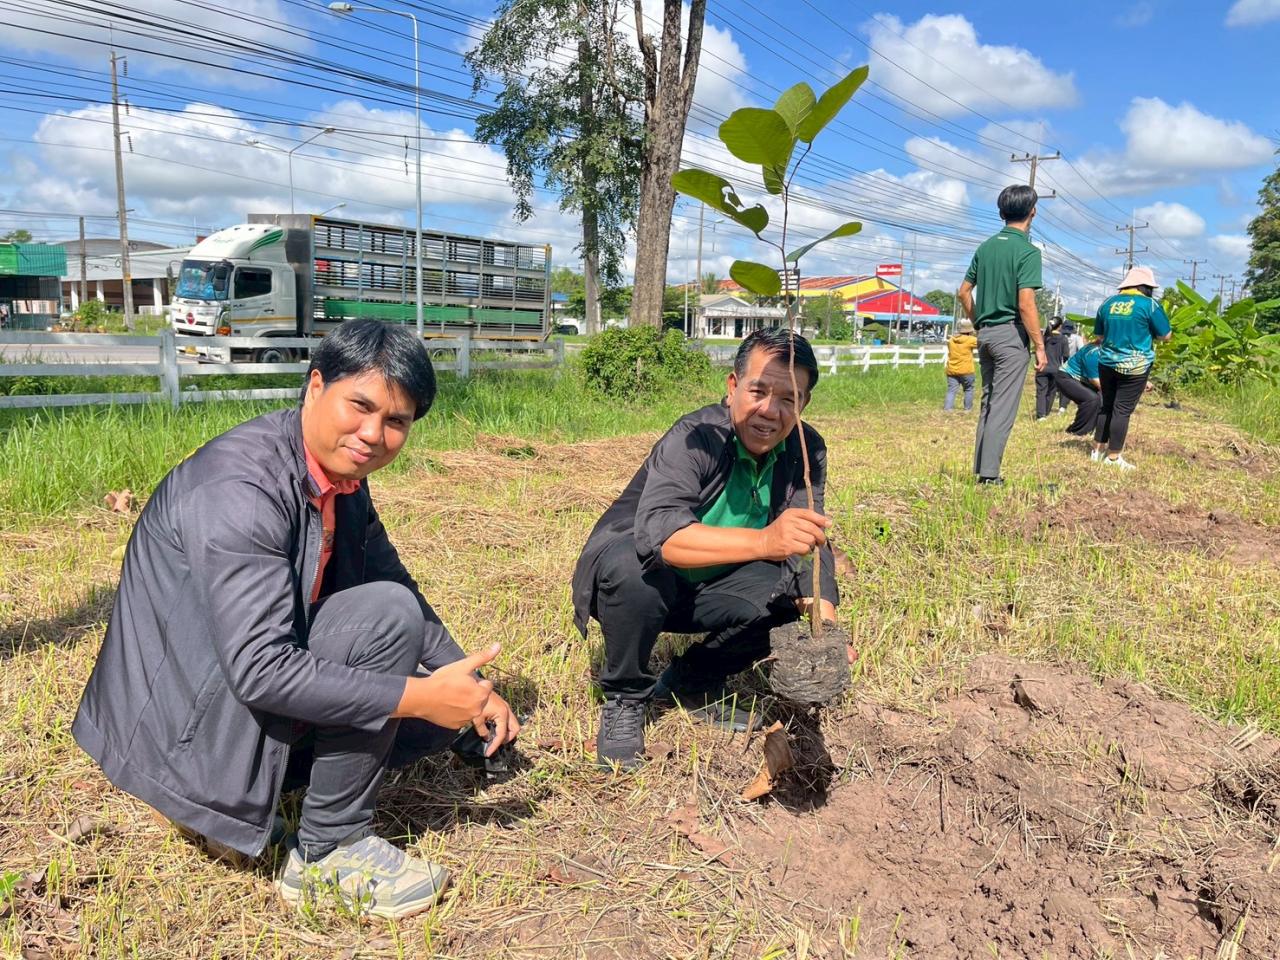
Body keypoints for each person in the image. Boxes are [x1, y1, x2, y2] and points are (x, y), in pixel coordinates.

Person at [72, 320, 521, 919]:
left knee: (429, 682)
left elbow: (394, 579)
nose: (373, 434)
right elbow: (259, 669)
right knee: (390, 629)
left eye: (396, 421)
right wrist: (415, 695)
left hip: (228, 689)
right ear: (315, 386)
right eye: (360, 406)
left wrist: (464, 683)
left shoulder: (341, 478)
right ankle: (327, 851)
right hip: (185, 723)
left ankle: (248, 792)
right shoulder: (242, 488)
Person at [572, 328, 841, 771]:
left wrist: (824, 628)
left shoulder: (804, 449)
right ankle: (624, 698)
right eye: (758, 390)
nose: (770, 411)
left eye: (789, 398)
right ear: (733, 387)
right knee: (631, 568)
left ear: (804, 403)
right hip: (644, 581)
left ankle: (690, 682)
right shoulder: (695, 436)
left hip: (716, 583)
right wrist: (764, 540)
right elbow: (660, 535)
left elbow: (807, 542)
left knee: (789, 597)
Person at [958, 184, 1048, 486]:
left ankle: (982, 470)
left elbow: (963, 292)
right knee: (1003, 407)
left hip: (985, 335)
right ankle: (990, 476)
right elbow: (1026, 303)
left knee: (988, 402)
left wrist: (980, 322)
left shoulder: (985, 247)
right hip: (1010, 335)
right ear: (1032, 211)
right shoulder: (1027, 251)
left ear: (1001, 212)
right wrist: (1040, 346)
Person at [1092, 266, 1172, 470]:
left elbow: (1099, 336)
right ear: (1146, 287)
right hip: (1135, 367)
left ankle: (1097, 451)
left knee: (1107, 406)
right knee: (1122, 410)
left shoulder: (1107, 303)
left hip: (1106, 363)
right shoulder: (1149, 305)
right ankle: (1113, 458)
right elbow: (1166, 336)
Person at [1052, 340, 1103, 439]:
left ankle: (1091, 430)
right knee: (1091, 399)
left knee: (1100, 400)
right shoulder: (1094, 352)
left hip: (1082, 380)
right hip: (1066, 377)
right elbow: (1094, 379)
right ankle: (1077, 432)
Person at [943, 318, 979, 411]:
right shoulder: (971, 340)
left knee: (951, 390)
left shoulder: (951, 340)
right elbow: (981, 343)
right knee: (968, 389)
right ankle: (967, 409)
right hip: (966, 370)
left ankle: (948, 409)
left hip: (952, 369)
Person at [1035, 318, 1067, 420]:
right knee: (1051, 392)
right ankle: (1046, 412)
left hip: (1042, 368)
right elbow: (1066, 356)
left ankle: (1041, 415)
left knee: (1041, 391)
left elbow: (1037, 351)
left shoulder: (1044, 338)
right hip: (1055, 369)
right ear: (1060, 326)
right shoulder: (1063, 339)